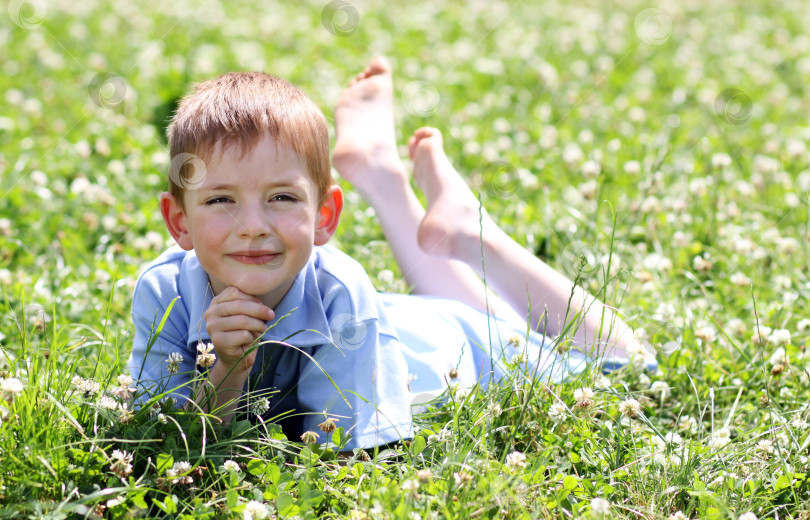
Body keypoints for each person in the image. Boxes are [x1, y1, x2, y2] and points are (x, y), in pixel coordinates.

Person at [129, 59, 653, 451]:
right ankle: (383, 174)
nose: (253, 227)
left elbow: (343, 456)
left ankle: (475, 234)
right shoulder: (163, 292)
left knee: (622, 360)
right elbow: (169, 443)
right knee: (474, 310)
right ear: (180, 222)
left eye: (282, 197)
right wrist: (226, 370)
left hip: (446, 349)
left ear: (325, 217)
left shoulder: (341, 290)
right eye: (221, 200)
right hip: (391, 318)